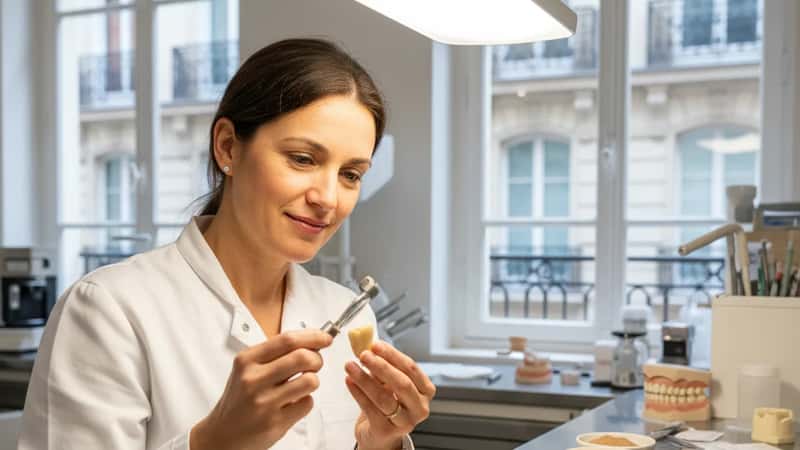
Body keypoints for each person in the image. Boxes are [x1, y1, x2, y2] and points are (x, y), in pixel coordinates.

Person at [18, 38, 434, 450]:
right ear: (228, 146)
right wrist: (214, 442)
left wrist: (379, 444)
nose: (328, 198)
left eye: (351, 174)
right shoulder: (108, 310)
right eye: (303, 159)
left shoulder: (344, 313)